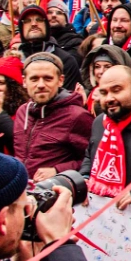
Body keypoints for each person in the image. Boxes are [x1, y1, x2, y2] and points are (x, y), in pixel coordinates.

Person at [71, 64, 131, 212]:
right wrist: (83, 178)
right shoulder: (99, 123)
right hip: (98, 212)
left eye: (117, 90)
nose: (109, 98)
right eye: (103, 92)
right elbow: (90, 155)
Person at [13, 52, 95, 180]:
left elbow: (94, 160)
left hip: (57, 192)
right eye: (34, 79)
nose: (40, 85)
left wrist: (58, 170)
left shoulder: (76, 116)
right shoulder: (22, 112)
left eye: (48, 78)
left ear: (60, 80)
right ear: (24, 81)